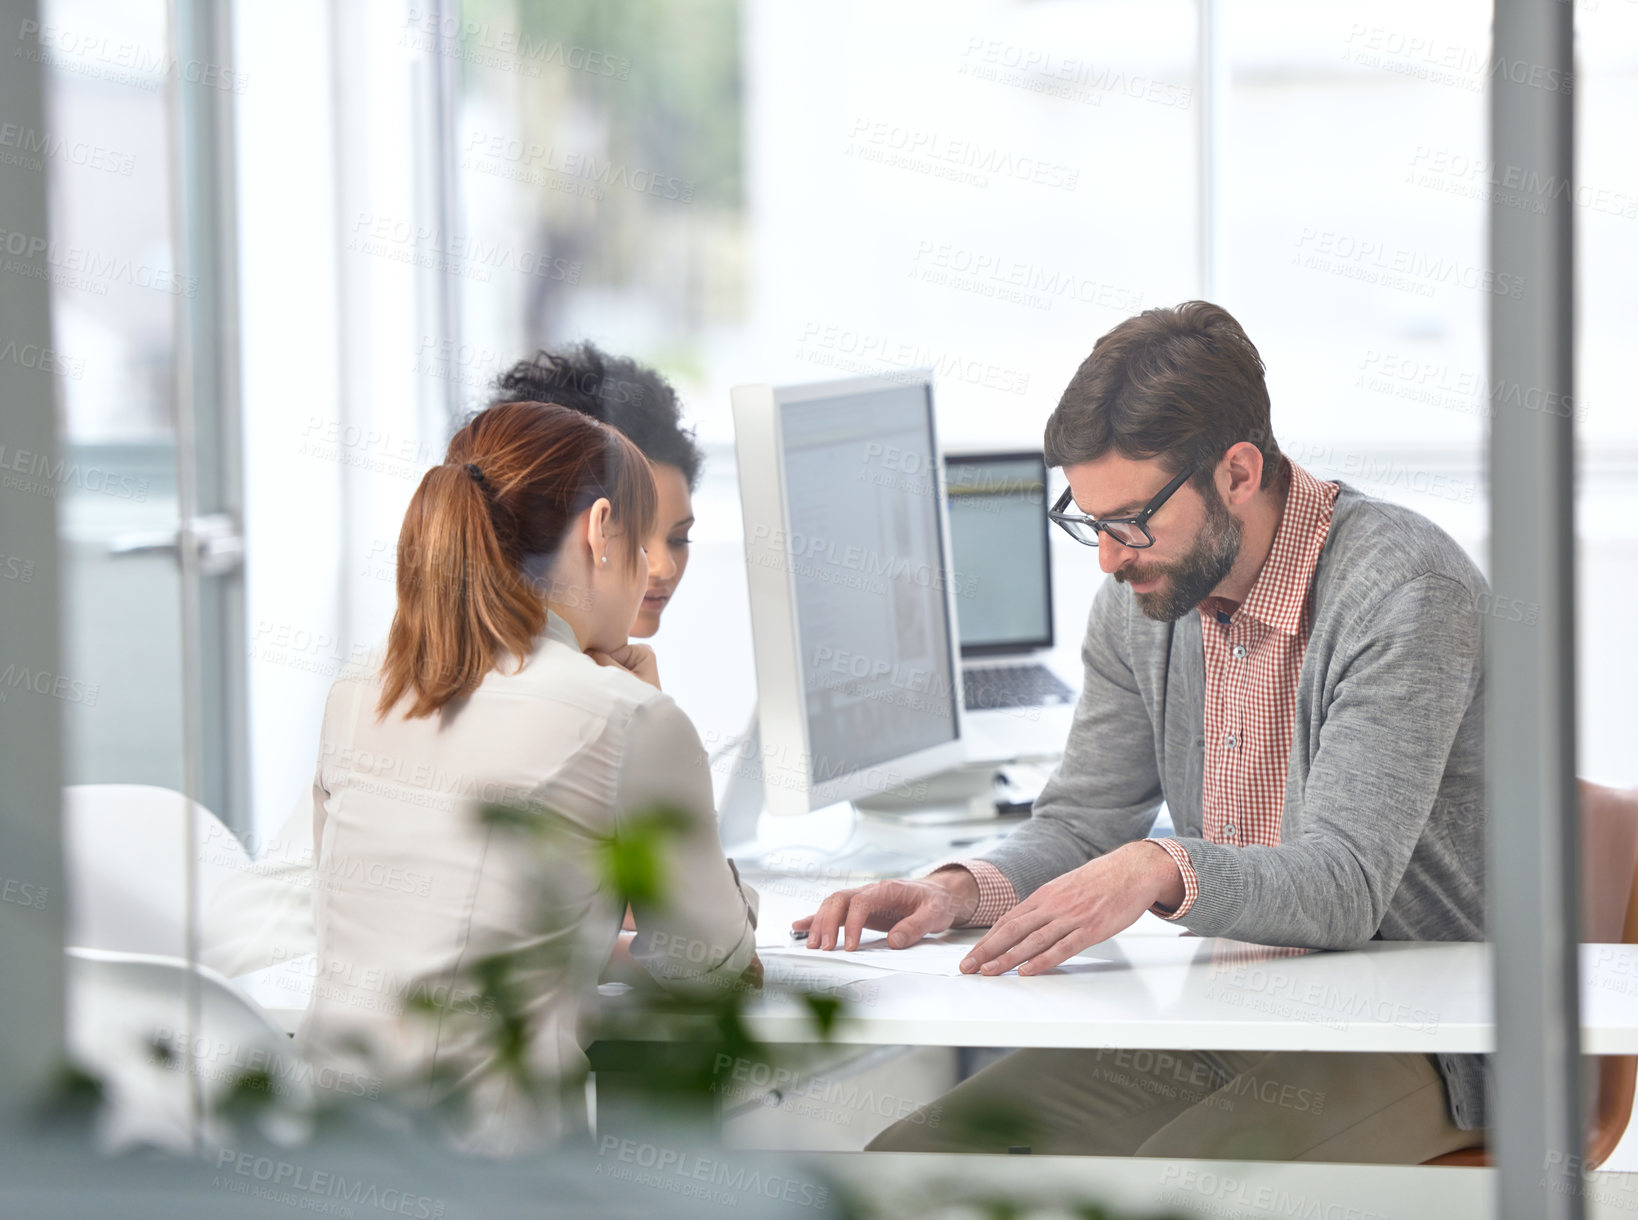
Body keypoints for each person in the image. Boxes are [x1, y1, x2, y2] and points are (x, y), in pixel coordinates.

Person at [795, 301, 1488, 1163]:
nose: (1109, 558)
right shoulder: (1147, 601)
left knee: (1179, 1191)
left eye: (1130, 524)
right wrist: (957, 891)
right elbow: (1087, 824)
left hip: (1429, 1032)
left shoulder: (1403, 591)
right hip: (1230, 1013)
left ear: (1237, 473)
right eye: (1090, 522)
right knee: (920, 1161)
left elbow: (1345, 884)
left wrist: (1160, 866)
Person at [287, 401, 757, 1155]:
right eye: (642, 545)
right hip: (500, 1179)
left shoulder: (357, 687)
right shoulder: (625, 716)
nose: (651, 573)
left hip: (320, 1158)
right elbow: (711, 970)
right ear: (601, 532)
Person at [202, 344, 706, 977]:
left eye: (679, 537)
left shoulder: (432, 675)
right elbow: (679, 928)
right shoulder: (565, 706)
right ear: (583, 533)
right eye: (634, 533)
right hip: (268, 989)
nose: (657, 566)